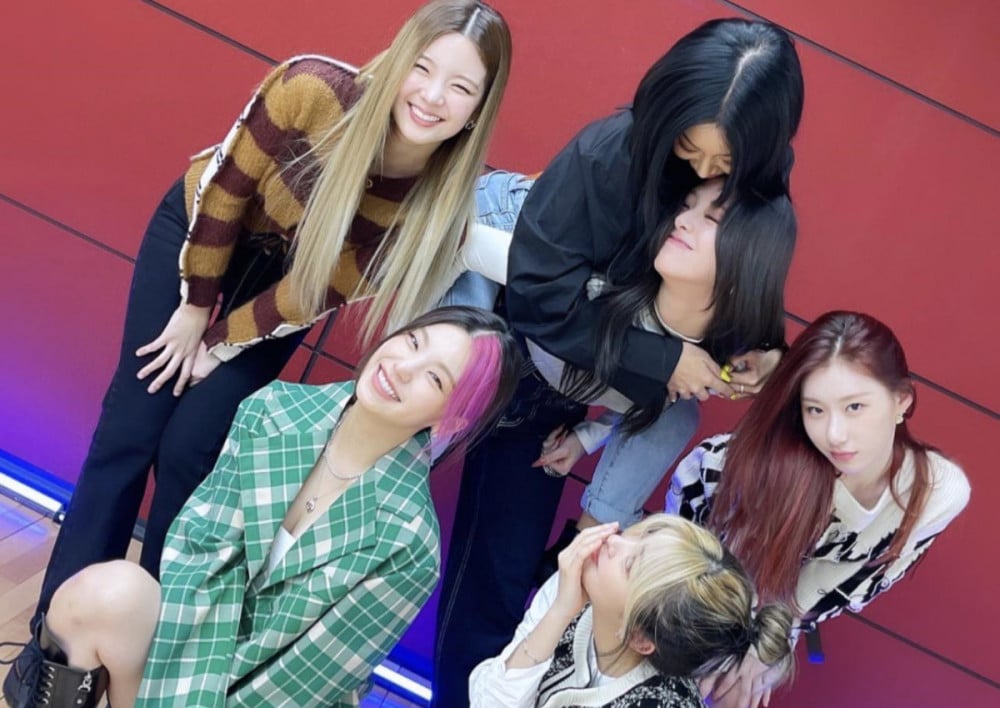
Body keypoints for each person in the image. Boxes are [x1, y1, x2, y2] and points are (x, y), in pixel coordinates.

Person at [15, 0, 510, 672]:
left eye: (460, 87)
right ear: (399, 59)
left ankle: (151, 656)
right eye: (422, 69)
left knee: (193, 450)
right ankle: (52, 655)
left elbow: (313, 292)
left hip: (284, 293)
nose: (431, 96)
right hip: (199, 235)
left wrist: (219, 343)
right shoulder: (311, 88)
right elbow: (223, 193)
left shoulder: (432, 202)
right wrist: (196, 308)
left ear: (477, 109)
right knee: (130, 429)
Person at [1, 307, 521, 708]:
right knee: (105, 593)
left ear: (452, 418)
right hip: (190, 650)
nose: (401, 368)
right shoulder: (273, 408)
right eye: (412, 341)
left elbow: (303, 680)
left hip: (268, 700)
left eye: (434, 378)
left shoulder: (410, 544)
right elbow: (195, 556)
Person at [436, 169, 798, 705]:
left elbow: (661, 407)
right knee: (401, 454)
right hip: (491, 329)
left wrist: (585, 438)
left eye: (712, 219)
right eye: (686, 203)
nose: (683, 220)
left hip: (545, 412)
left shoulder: (727, 341)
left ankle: (588, 536)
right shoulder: (613, 246)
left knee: (495, 590)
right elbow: (491, 251)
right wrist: (663, 359)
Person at [665, 311, 971, 707]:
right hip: (698, 586)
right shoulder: (757, 469)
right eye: (815, 410)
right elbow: (711, 567)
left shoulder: (936, 492)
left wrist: (765, 647)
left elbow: (833, 588)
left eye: (854, 407)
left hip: (779, 616)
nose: (834, 435)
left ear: (901, 401)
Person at [468, 514, 794, 707]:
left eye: (629, 565)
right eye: (642, 535)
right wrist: (558, 614)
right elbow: (486, 702)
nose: (614, 540)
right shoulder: (573, 592)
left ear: (640, 638)